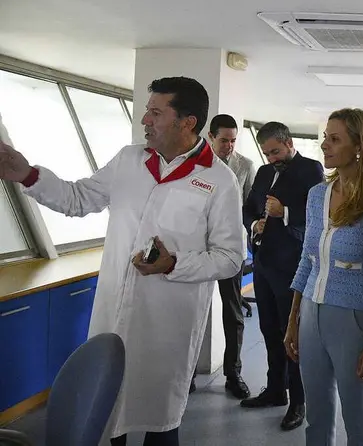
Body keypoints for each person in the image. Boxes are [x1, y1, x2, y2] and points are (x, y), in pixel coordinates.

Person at [0, 77, 244, 446]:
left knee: (159, 424)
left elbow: (230, 259)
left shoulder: (218, 180)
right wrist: (27, 175)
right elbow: (77, 199)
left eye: (156, 112)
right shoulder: (129, 161)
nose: (145, 119)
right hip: (113, 314)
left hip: (167, 325)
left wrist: (172, 263)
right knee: (105, 415)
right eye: (147, 110)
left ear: (187, 122)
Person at [284, 108, 363, 445]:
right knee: (316, 417)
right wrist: (293, 320)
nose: (324, 146)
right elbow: (307, 259)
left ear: (359, 146)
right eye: (324, 138)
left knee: (357, 419)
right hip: (311, 315)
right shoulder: (317, 195)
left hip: (354, 320)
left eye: (335, 139)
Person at [241, 121, 324, 431]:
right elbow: (248, 208)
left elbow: (318, 214)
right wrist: (254, 224)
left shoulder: (310, 169)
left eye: (276, 151)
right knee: (268, 331)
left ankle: (298, 401)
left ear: (289, 143)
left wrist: (284, 213)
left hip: (291, 266)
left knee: (292, 337)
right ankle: (276, 390)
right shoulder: (263, 173)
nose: (272, 158)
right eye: (267, 154)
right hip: (262, 264)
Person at [200, 114, 256, 399]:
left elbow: (251, 207)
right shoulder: (194, 164)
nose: (229, 146)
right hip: (196, 249)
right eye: (224, 140)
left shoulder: (245, 166)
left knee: (233, 312)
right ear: (210, 137)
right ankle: (185, 373)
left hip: (231, 248)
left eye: (233, 140)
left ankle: (233, 373)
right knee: (191, 310)